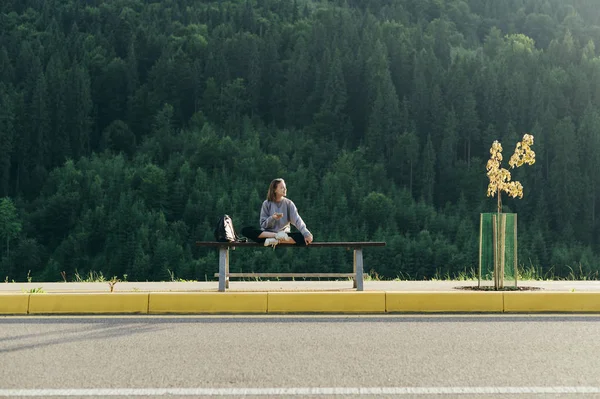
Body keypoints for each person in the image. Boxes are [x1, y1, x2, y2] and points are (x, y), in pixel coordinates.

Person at [242, 178, 314, 247]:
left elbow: (297, 220)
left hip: (284, 235)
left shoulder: (289, 203)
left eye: (285, 187)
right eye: (282, 187)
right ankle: (276, 237)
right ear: (275, 190)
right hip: (268, 235)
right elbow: (263, 225)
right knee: (246, 230)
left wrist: (306, 233)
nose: (285, 189)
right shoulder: (266, 203)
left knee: (302, 237)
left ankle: (276, 241)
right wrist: (272, 218)